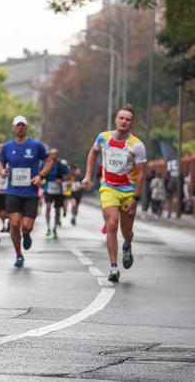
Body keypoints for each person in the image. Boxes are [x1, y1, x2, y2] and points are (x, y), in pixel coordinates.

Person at [82, 104, 147, 283]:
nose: (124, 121)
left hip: (129, 192)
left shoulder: (137, 145)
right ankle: (113, 267)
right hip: (108, 188)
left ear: (131, 123)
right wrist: (88, 176)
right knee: (112, 223)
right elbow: (93, 153)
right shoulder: (103, 137)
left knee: (127, 232)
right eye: (121, 118)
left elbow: (142, 174)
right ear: (116, 120)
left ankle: (127, 245)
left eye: (128, 119)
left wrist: (135, 198)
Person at [0, 115, 54, 268]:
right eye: (18, 125)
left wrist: (40, 175)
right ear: (13, 128)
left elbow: (49, 160)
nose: (20, 127)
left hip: (31, 192)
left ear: (26, 128)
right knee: (15, 224)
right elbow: (1, 164)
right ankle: (18, 254)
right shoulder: (7, 147)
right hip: (13, 191)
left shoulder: (36, 145)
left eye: (23, 125)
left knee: (27, 226)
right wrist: (3, 171)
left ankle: (27, 234)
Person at [43, 148, 69, 239]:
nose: (53, 156)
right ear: (49, 155)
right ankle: (48, 228)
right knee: (48, 208)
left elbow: (67, 176)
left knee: (57, 211)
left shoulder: (61, 165)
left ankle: (55, 228)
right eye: (52, 154)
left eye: (55, 154)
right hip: (48, 189)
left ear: (57, 155)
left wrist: (61, 180)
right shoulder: (45, 164)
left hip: (58, 191)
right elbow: (40, 174)